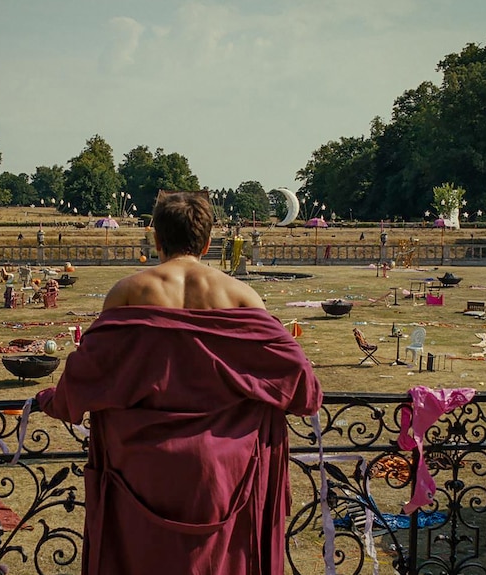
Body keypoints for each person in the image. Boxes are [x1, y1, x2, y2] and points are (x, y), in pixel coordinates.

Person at [35, 190, 322, 575]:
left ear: (156, 239)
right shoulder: (241, 298)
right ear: (206, 242)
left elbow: (83, 379)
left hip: (137, 472)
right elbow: (303, 390)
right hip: (225, 477)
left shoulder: (127, 293)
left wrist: (49, 400)